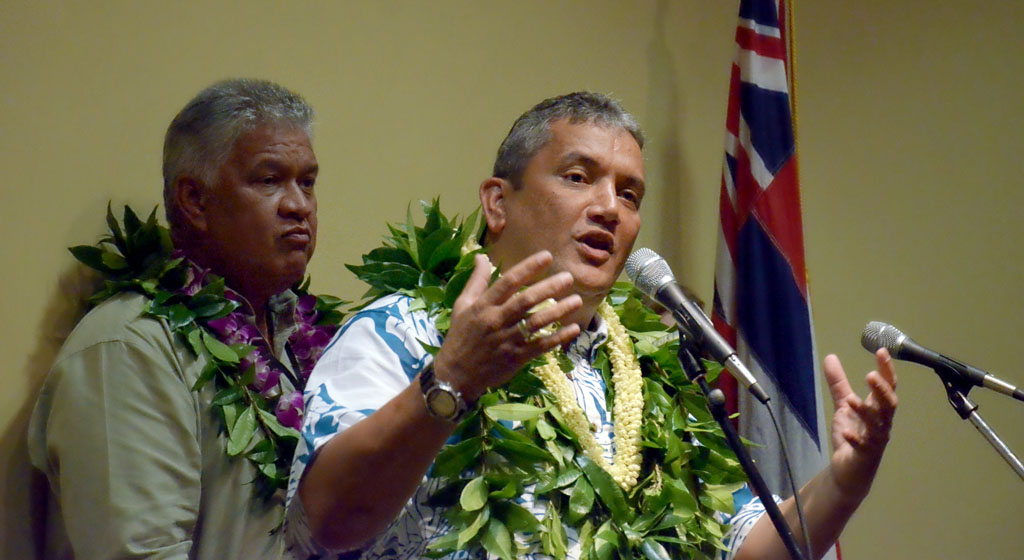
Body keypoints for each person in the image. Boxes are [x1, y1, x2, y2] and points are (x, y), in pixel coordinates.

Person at [287, 92, 897, 560]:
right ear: (497, 203)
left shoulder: (659, 375)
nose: (609, 207)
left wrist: (844, 482)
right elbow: (325, 523)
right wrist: (450, 380)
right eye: (579, 178)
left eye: (630, 194)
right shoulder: (401, 332)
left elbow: (741, 546)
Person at [28, 78, 335, 559]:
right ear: (195, 200)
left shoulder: (306, 337)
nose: (299, 205)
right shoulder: (127, 352)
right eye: (269, 179)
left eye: (308, 182)